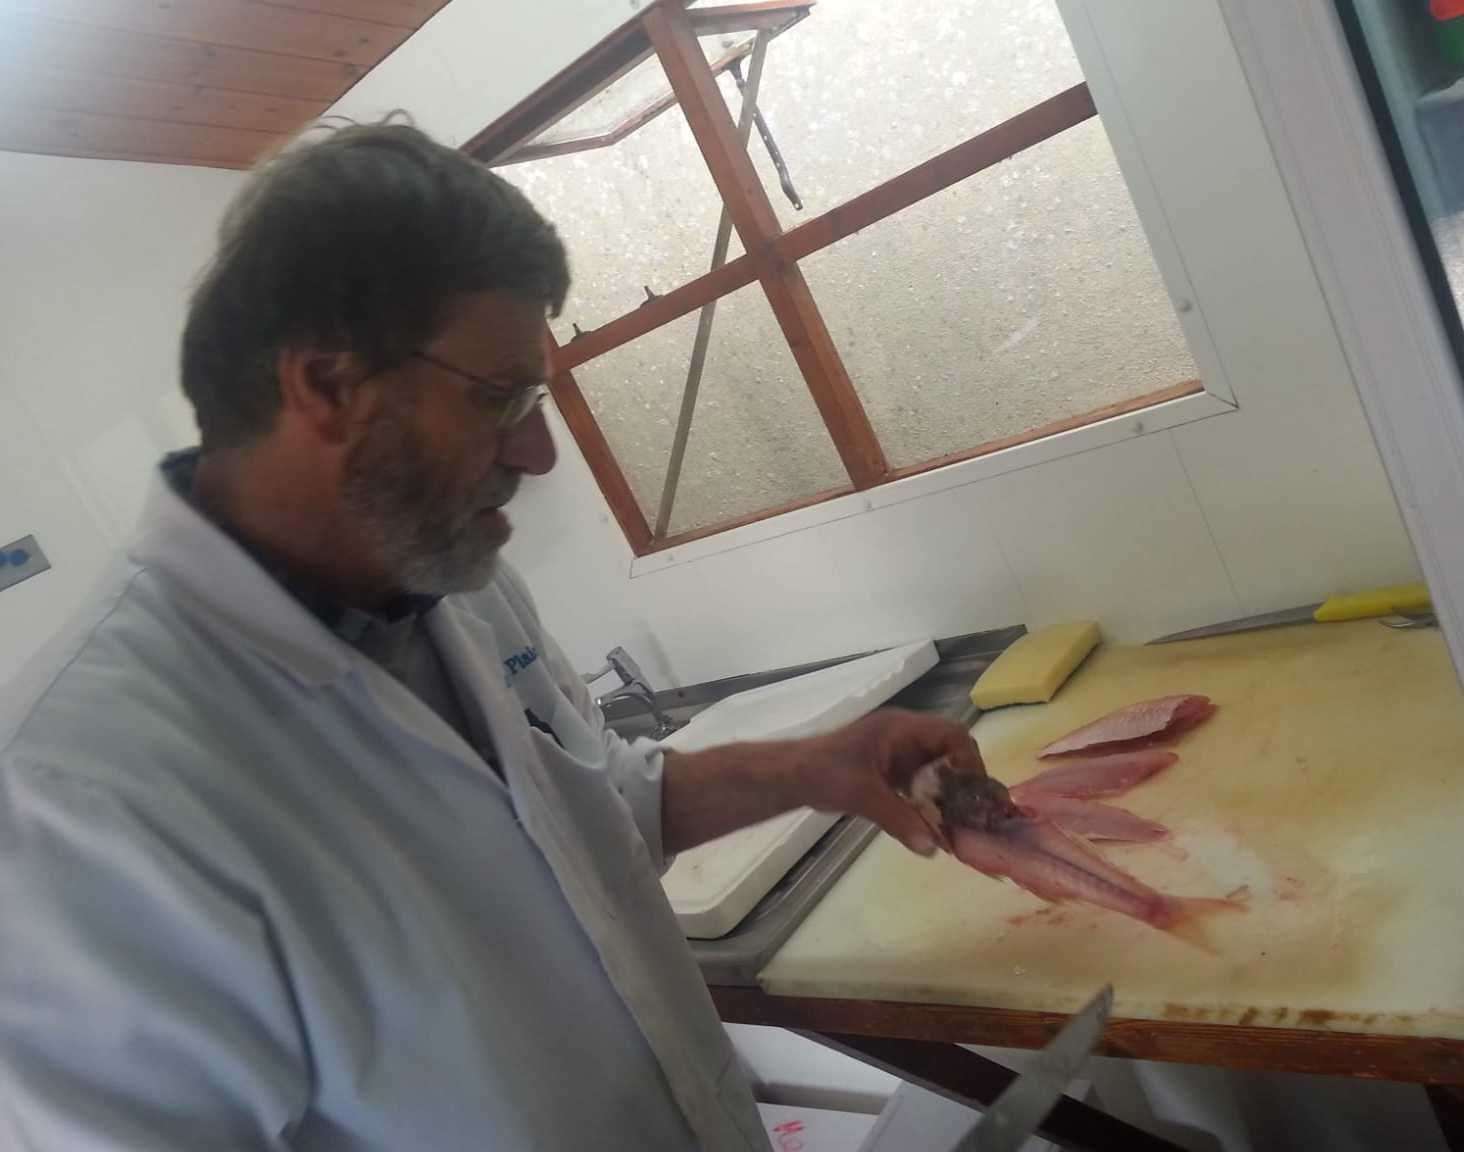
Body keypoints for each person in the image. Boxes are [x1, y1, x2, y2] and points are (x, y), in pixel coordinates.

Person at [0, 123, 987, 1151]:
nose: (541, 451)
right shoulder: (71, 805)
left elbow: (592, 817)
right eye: (500, 398)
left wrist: (819, 766)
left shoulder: (454, 580)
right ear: (328, 386)